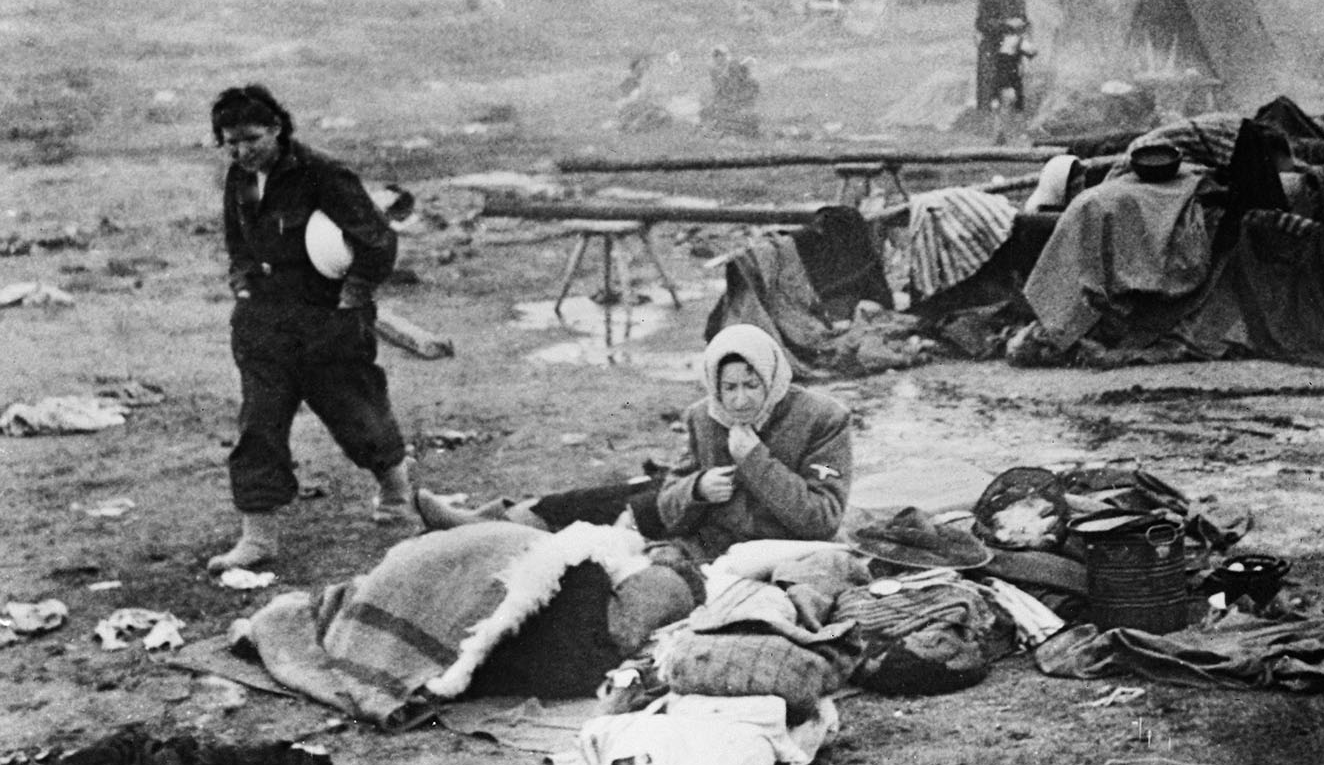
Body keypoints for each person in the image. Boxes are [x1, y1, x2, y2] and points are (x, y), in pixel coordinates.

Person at [414, 325, 852, 568]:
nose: (739, 400)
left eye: (752, 385)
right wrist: (697, 487)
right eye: (729, 388)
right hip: (690, 514)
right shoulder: (706, 415)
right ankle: (481, 522)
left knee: (616, 508)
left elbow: (822, 520)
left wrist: (753, 459)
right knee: (592, 499)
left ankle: (483, 527)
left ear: (771, 377)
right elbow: (677, 486)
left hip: (719, 538)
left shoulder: (822, 419)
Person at [207, 85, 411, 573]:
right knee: (259, 423)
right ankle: (258, 537)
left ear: (277, 128)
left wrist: (355, 293)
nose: (241, 151)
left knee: (356, 412)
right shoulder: (239, 177)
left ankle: (396, 490)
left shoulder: (323, 174)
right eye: (229, 141)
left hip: (327, 320)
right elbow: (237, 240)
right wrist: (242, 282)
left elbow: (377, 240)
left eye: (251, 138)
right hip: (264, 323)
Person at [974, 0, 1032, 116]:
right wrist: (1004, 24)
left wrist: (1023, 25)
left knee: (1012, 85)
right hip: (991, 47)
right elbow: (981, 23)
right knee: (989, 87)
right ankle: (988, 122)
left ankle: (1012, 119)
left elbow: (1023, 18)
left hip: (1011, 47)